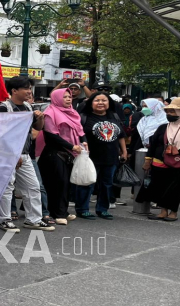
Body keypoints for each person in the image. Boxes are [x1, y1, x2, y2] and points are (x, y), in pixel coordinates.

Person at [0, 77, 53, 232]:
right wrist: (13, 154)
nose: (29, 91)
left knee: (33, 187)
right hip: (7, 154)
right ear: (14, 91)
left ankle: (33, 219)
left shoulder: (27, 107)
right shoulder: (3, 109)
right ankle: (5, 220)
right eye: (26, 88)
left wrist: (39, 118)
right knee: (7, 187)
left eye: (29, 88)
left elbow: (37, 128)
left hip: (25, 154)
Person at [74, 92, 127, 220]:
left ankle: (103, 209)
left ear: (109, 103)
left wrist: (124, 151)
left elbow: (120, 135)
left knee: (107, 184)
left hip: (111, 157)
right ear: (91, 103)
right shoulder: (84, 117)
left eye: (104, 100)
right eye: (97, 100)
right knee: (87, 183)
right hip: (90, 158)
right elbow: (77, 135)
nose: (101, 103)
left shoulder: (114, 116)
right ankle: (82, 209)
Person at [38, 89, 87, 225]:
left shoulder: (73, 112)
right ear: (57, 98)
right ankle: (56, 213)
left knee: (65, 184)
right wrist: (71, 146)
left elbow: (80, 130)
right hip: (54, 153)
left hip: (69, 153)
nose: (68, 99)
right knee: (58, 183)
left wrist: (84, 141)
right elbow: (51, 135)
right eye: (64, 97)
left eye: (69, 97)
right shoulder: (50, 113)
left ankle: (62, 211)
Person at [144, 97, 180, 221]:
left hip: (179, 164)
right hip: (160, 162)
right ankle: (163, 211)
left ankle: (173, 212)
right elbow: (153, 144)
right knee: (160, 186)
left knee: (175, 188)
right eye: (168, 111)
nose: (169, 114)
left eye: (173, 111)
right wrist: (148, 160)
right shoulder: (163, 127)